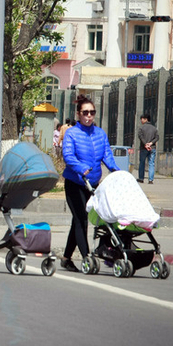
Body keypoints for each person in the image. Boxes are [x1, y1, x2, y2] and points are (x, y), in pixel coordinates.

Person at [60, 95, 120, 272]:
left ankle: (66, 258)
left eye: (92, 112)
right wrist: (80, 167)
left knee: (77, 222)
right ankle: (87, 257)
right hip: (75, 182)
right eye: (85, 112)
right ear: (78, 114)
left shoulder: (100, 133)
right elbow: (68, 156)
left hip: (92, 184)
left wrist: (116, 169)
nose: (89, 116)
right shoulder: (72, 133)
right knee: (81, 220)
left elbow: (107, 155)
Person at [137, 113, 159, 184]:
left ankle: (141, 178)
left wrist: (145, 144)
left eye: (142, 119)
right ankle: (150, 180)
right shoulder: (154, 128)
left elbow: (140, 136)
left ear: (146, 119)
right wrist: (151, 143)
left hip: (144, 148)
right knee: (151, 163)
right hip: (152, 148)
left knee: (142, 163)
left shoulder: (141, 128)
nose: (141, 120)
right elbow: (157, 137)